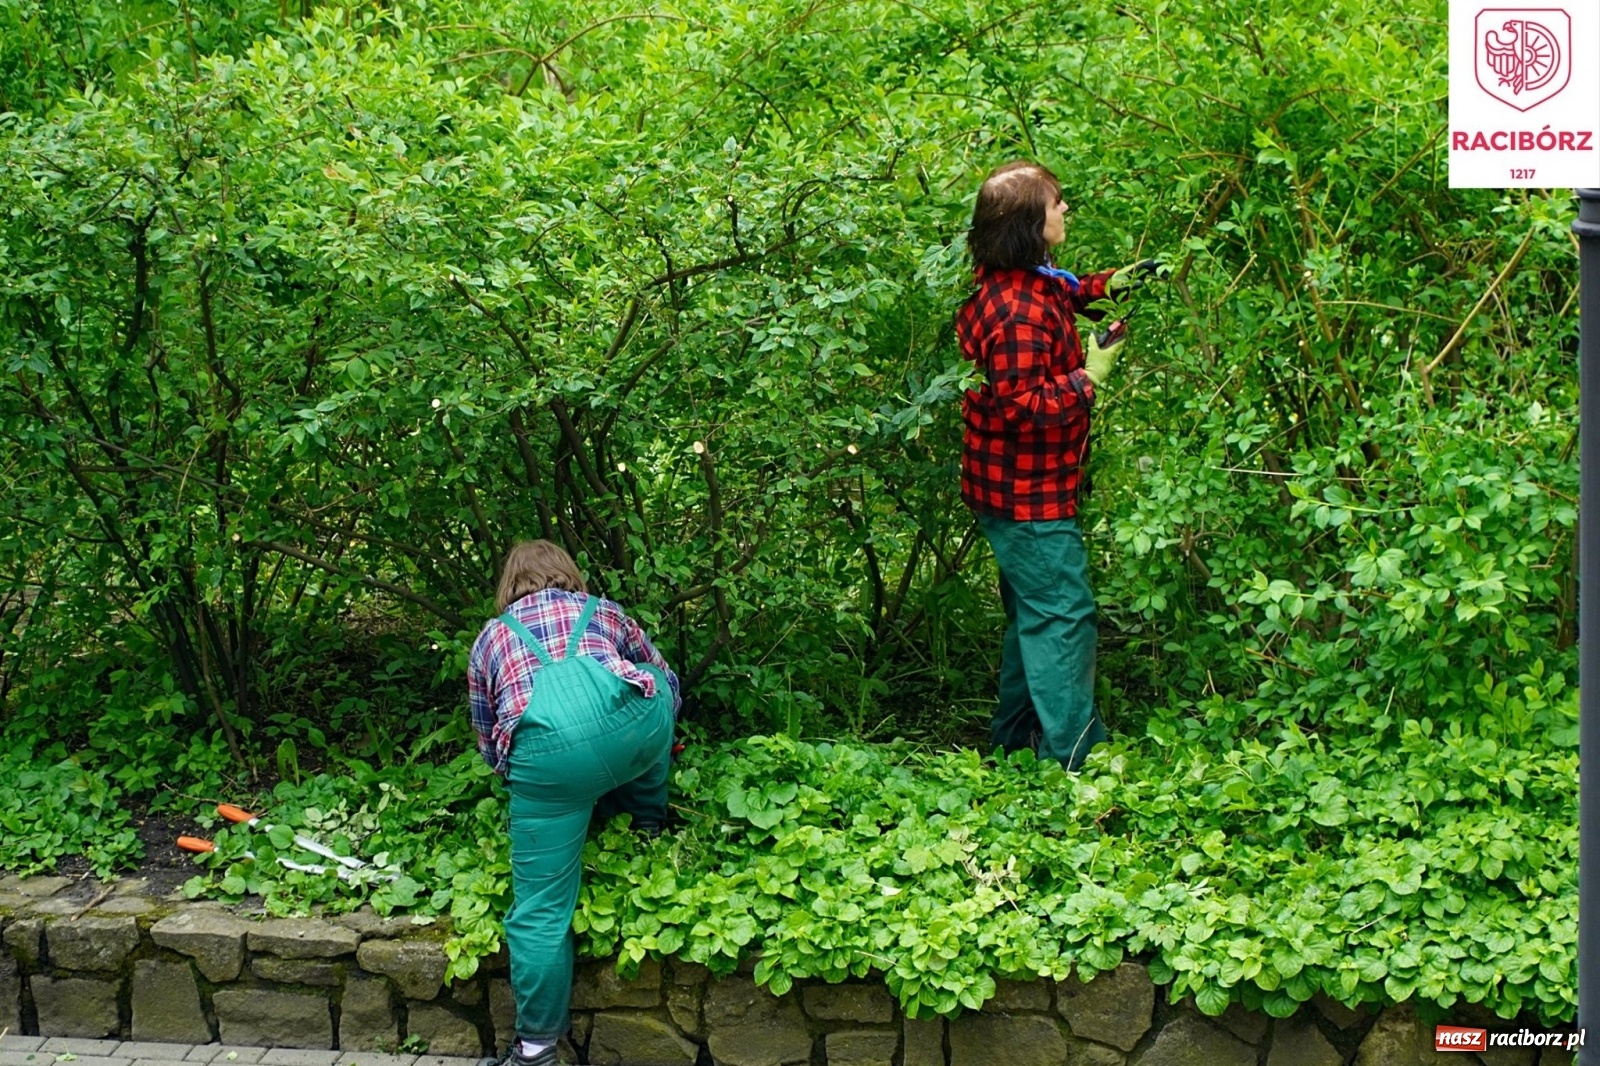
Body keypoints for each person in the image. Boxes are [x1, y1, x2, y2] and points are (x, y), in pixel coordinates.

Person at [956, 160, 1156, 771]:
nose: (1065, 211)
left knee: (1034, 615)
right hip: (1027, 496)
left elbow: (1064, 289)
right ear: (1027, 223)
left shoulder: (1023, 279)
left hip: (1015, 488)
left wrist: (1112, 284)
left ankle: (1013, 747)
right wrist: (1088, 377)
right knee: (1065, 614)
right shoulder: (1014, 312)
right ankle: (1076, 758)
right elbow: (1022, 406)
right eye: (1057, 203)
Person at [468, 540, 681, 1066]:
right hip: (634, 738)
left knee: (540, 911)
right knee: (653, 684)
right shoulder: (604, 610)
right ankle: (648, 820)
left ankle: (537, 1049)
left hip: (547, 767)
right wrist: (661, 731)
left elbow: (487, 735)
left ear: (509, 587)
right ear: (568, 575)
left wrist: (536, 789)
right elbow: (660, 674)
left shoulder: (490, 638)